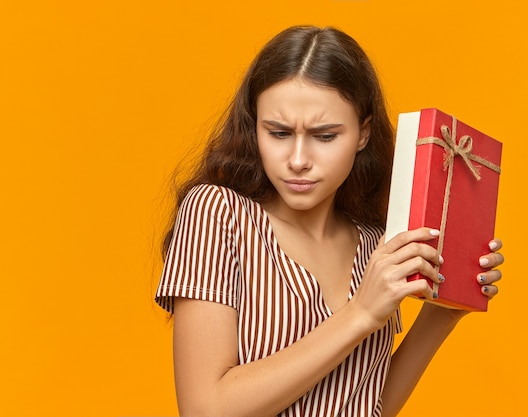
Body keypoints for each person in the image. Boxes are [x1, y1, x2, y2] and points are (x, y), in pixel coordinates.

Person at [155, 25, 504, 417]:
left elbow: (369, 405)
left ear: (362, 133)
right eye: (279, 132)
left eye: (324, 136)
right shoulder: (218, 213)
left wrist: (444, 311)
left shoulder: (377, 244)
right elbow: (205, 411)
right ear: (255, 127)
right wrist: (360, 314)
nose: (298, 159)